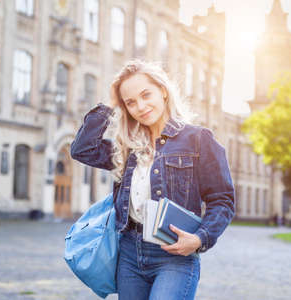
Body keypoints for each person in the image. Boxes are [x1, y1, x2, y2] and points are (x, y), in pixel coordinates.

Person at [70, 60, 235, 299]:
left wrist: (200, 238)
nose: (141, 106)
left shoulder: (199, 140)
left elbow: (223, 199)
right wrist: (110, 105)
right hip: (129, 254)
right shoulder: (127, 147)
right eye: (131, 102)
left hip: (174, 256)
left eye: (146, 95)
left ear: (163, 91)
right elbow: (82, 149)